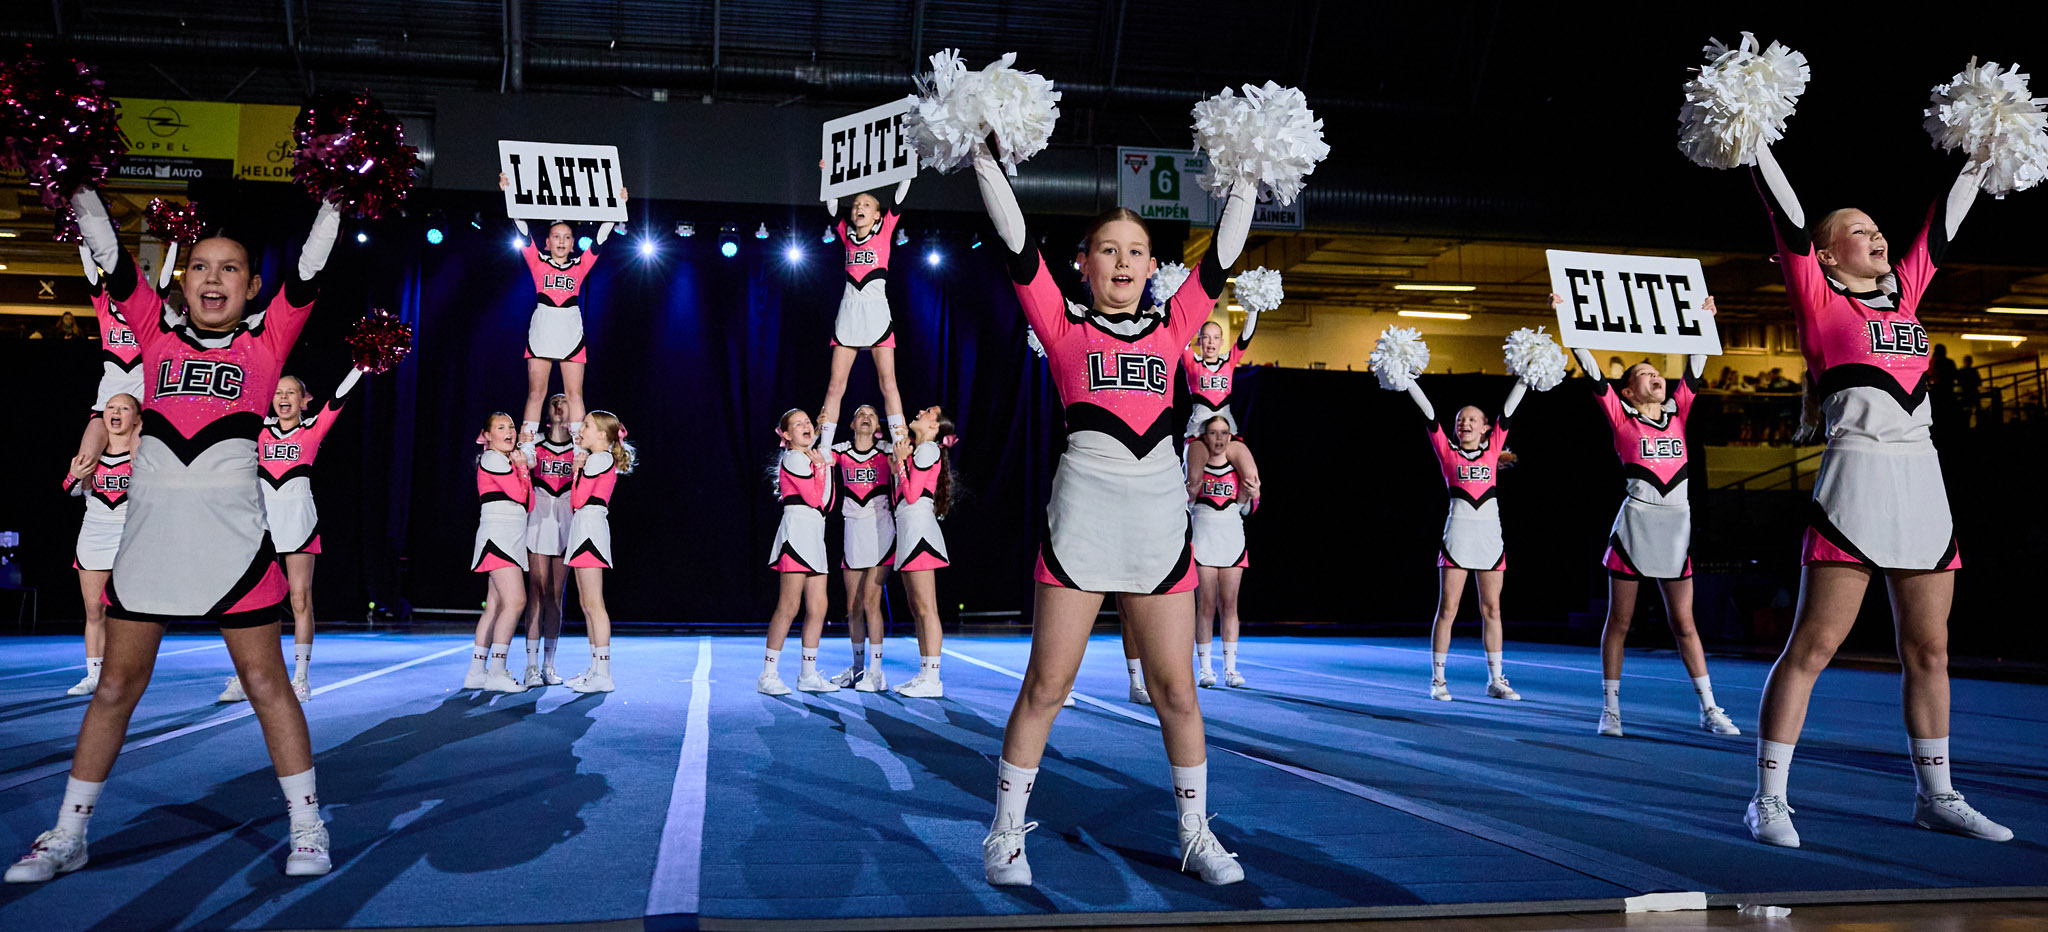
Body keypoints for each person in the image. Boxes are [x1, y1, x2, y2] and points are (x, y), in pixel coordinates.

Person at [6, 187, 343, 884]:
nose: (213, 279)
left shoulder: (267, 341)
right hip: (150, 543)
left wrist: (337, 198)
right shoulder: (154, 334)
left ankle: (307, 825)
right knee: (115, 687)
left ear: (253, 287)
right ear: (183, 283)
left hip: (234, 547)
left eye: (230, 269)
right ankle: (70, 833)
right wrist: (78, 186)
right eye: (201, 268)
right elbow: (112, 260)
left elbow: (309, 269)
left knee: (266, 683)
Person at [971, 137, 1251, 887]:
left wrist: (1250, 176)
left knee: (1176, 691)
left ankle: (1194, 834)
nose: (1123, 262)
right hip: (1083, 522)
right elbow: (1015, 243)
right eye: (1107, 250)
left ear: (1153, 265)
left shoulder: (1173, 328)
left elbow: (1221, 261)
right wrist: (982, 157)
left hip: (1160, 525)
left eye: (1136, 251)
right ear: (1083, 263)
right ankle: (1004, 834)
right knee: (1046, 686)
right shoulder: (1062, 326)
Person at [1739, 139, 2011, 847]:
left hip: (1923, 477)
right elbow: (1786, 217)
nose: (1877, 236)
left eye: (1877, 228)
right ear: (1828, 256)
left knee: (1930, 649)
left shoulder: (1906, 296)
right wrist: (1755, 138)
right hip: (1856, 475)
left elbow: (1943, 224)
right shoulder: (1818, 299)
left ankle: (1936, 795)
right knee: (1813, 645)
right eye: (1858, 231)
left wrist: (1985, 148)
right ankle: (1768, 799)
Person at [1561, 301, 1740, 739]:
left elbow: (1696, 366)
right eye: (1643, 374)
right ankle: (1611, 710)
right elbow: (1592, 371)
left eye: (1657, 372)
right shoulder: (1621, 417)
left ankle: (1709, 708)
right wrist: (1569, 319)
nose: (1655, 376)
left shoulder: (1679, 412)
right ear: (1627, 392)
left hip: (1676, 527)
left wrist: (1705, 320)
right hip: (1636, 526)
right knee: (1620, 622)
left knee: (1685, 623)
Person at [217, 370, 362, 705]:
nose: (283, 398)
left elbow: (339, 398)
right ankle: (245, 676)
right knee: (249, 602)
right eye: (278, 392)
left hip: (298, 519)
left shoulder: (313, 428)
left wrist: (360, 365)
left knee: (300, 599)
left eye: (291, 392)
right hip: (261, 521)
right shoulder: (258, 428)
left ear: (304, 400)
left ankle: (300, 678)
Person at [1405, 372, 1529, 702]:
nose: (1465, 423)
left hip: (1489, 537)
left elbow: (1509, 411)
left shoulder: (1493, 450)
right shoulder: (1448, 452)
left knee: (1492, 610)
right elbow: (1429, 414)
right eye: (1461, 420)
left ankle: (1495, 680)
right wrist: (1407, 380)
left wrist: (1526, 377)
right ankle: (1438, 680)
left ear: (1486, 428)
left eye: (1473, 419)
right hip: (1458, 537)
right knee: (1448, 608)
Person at [496, 172, 626, 450]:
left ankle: (580, 449)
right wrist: (508, 192)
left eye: (567, 237)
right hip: (543, 327)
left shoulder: (580, 265)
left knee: (574, 394)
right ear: (547, 242)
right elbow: (522, 230)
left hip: (570, 330)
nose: (562, 241)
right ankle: (528, 449)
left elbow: (600, 240)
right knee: (536, 392)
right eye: (556, 236)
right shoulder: (538, 262)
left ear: (573, 243)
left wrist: (617, 206)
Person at [816, 174, 914, 450]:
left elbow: (899, 198)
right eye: (856, 204)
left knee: (888, 382)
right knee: (835, 385)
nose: (859, 207)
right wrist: (827, 173)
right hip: (849, 312)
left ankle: (899, 444)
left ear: (877, 215)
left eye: (866, 205)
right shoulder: (845, 234)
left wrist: (907, 168)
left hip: (876, 313)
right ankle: (824, 448)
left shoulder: (885, 230)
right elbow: (832, 204)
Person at [60, 393, 138, 697]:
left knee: (128, 612)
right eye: (110, 407)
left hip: (130, 538)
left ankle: (126, 671)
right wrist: (74, 475)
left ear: (136, 417)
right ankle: (94, 674)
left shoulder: (142, 454)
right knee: (94, 611)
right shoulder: (90, 455)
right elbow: (70, 490)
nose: (115, 412)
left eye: (124, 408)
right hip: (94, 535)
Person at [759, 408, 840, 695]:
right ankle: (768, 675)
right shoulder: (793, 458)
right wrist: (822, 467)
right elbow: (813, 498)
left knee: (818, 607)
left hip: (815, 534)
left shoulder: (811, 458)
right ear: (786, 435)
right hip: (796, 534)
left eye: (807, 422)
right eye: (798, 424)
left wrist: (824, 467)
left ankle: (808, 673)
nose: (806, 425)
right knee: (789, 606)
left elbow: (827, 504)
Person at [561, 411, 633, 692]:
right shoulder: (599, 459)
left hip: (590, 532)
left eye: (587, 425)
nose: (581, 429)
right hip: (585, 530)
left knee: (594, 605)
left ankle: (603, 674)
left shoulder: (599, 459)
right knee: (587, 604)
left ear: (602, 435)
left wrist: (577, 470)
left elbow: (578, 499)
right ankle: (595, 670)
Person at [888, 405, 956, 699]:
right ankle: (925, 673)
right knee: (917, 608)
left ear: (935, 426)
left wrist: (902, 462)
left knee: (926, 608)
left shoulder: (928, 449)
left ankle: (933, 679)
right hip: (909, 530)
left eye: (928, 412)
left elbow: (913, 494)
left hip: (919, 533)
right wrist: (900, 464)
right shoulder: (921, 450)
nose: (920, 411)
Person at [829, 405, 894, 691]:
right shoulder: (841, 452)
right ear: (852, 424)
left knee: (871, 602)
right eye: (860, 414)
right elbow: (816, 453)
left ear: (877, 426)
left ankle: (876, 673)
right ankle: (858, 669)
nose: (866, 417)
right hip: (853, 530)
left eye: (872, 415)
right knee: (853, 606)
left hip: (881, 530)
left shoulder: (887, 451)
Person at [466, 413, 532, 694]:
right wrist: (523, 468)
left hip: (510, 538)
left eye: (512, 427)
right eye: (501, 427)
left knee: (495, 605)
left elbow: (527, 503)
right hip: (499, 539)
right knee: (516, 601)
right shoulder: (493, 458)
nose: (509, 432)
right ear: (487, 435)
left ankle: (476, 672)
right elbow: (521, 495)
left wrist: (520, 466)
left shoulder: (504, 460)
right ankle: (496, 671)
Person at [1188, 416, 1255, 689]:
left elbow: (1244, 508)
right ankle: (1205, 669)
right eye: (1213, 433)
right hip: (1203, 535)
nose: (1219, 438)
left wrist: (1248, 495)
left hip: (1231, 535)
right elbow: (1185, 504)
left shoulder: (1237, 466)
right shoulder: (1194, 463)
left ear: (1230, 436)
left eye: (1224, 433)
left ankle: (1231, 669)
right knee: (1205, 606)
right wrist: (1190, 492)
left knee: (1229, 605)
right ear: (1204, 436)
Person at [523, 394, 576, 685]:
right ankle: (531, 666)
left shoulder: (580, 447)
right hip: (539, 517)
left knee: (556, 595)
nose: (558, 405)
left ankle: (548, 664)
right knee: (536, 591)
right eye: (554, 401)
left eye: (564, 401)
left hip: (566, 519)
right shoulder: (536, 444)